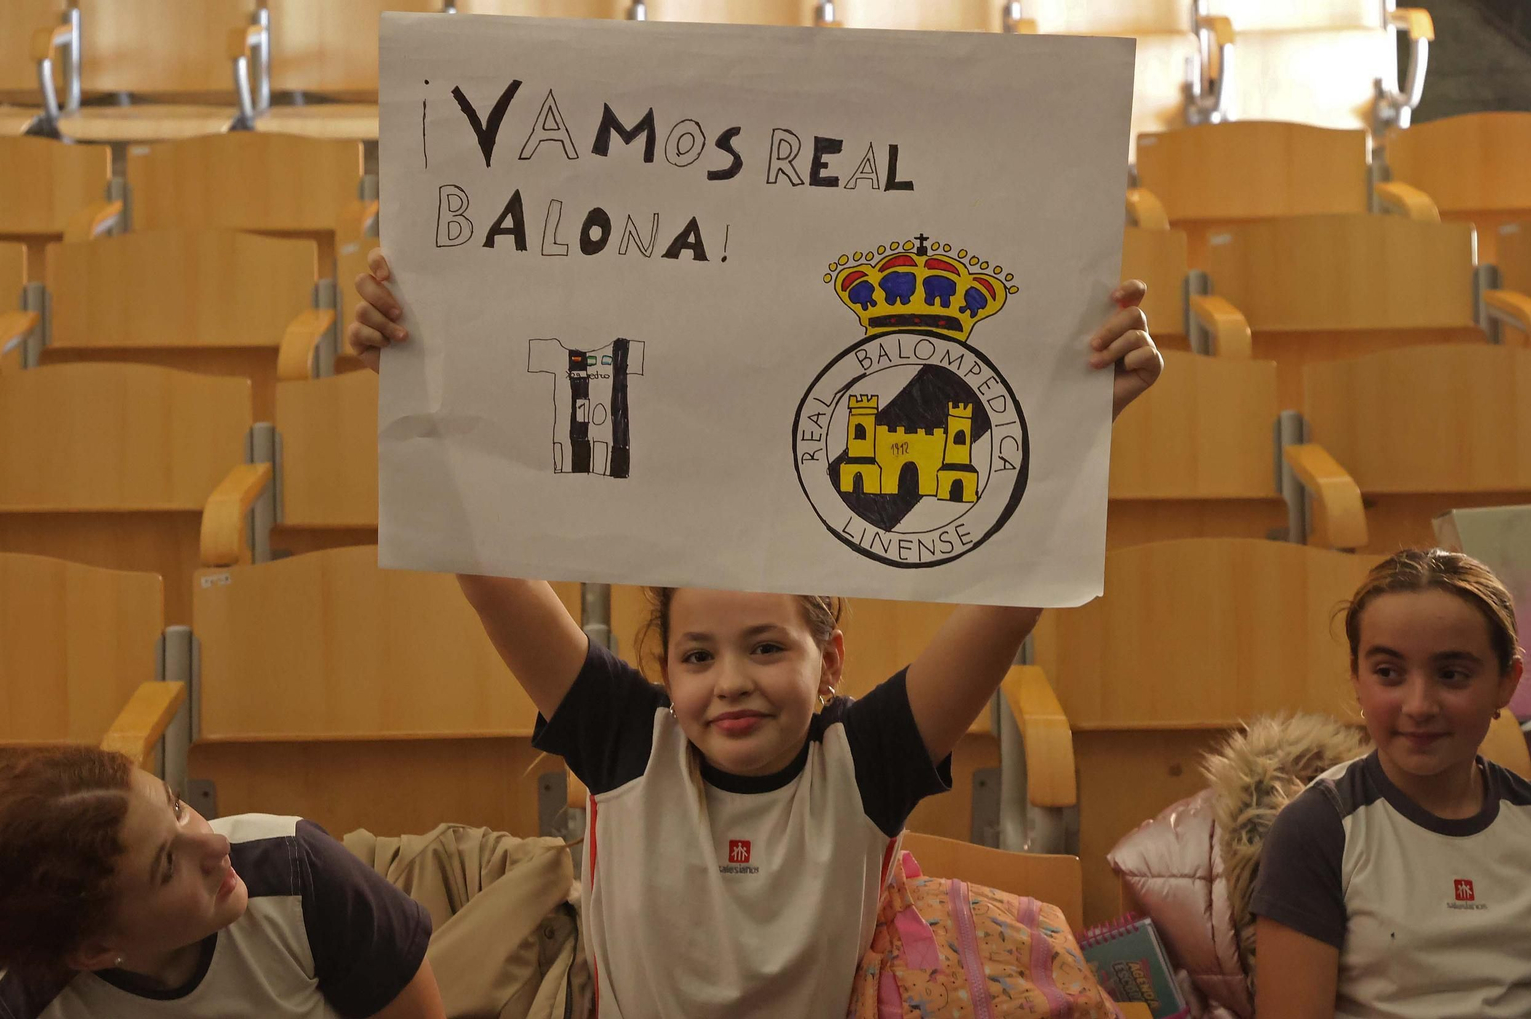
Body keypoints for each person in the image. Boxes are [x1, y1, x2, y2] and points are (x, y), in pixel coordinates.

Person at [349, 248, 1162, 1017]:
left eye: (767, 647)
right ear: (663, 665)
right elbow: (491, 579)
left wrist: (1084, 423)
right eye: (697, 655)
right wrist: (409, 388)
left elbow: (1009, 604)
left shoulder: (862, 767)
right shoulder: (631, 741)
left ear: (829, 657)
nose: (731, 679)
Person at [0, 746, 446, 1019]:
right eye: (167, 865)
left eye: (178, 808)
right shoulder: (31, 1006)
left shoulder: (297, 868)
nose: (215, 845)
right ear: (96, 949)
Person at [1251, 549, 1531, 1019]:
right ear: (1357, 679)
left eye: (1451, 675)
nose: (1419, 705)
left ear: (1507, 683)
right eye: (1388, 673)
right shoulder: (1317, 830)